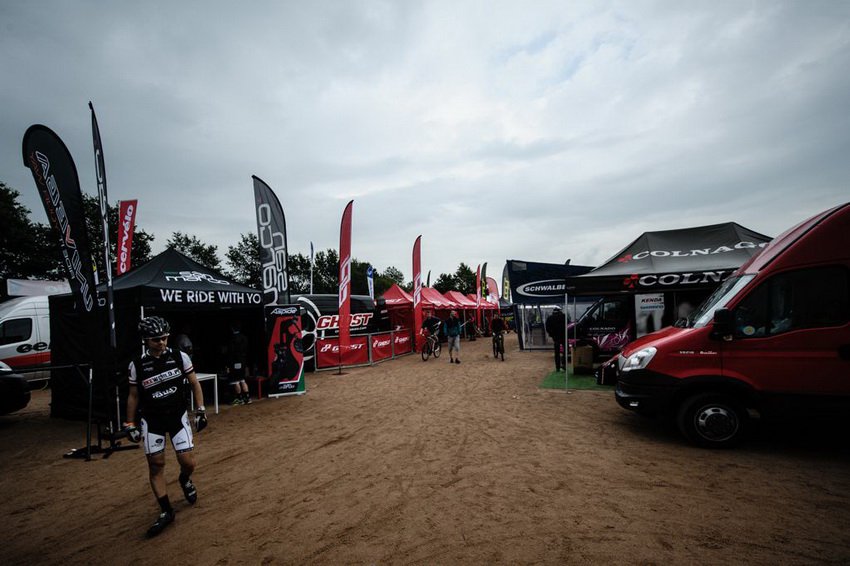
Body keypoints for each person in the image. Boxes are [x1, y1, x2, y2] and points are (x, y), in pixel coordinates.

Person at [124, 316, 208, 538]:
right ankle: (166, 510)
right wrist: (129, 423)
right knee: (156, 465)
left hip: (177, 416)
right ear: (145, 340)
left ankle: (184, 478)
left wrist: (201, 410)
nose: (161, 342)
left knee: (188, 462)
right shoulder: (136, 365)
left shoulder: (180, 357)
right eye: (155, 339)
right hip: (152, 420)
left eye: (164, 338)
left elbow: (194, 383)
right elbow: (133, 396)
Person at [225, 322, 251, 405]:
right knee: (242, 379)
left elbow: (230, 352)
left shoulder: (232, 339)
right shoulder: (244, 338)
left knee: (236, 381)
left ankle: (240, 399)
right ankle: (247, 398)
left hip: (235, 362)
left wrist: (228, 365)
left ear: (232, 328)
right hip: (243, 361)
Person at [545, 306, 566, 371]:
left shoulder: (549, 318)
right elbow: (567, 324)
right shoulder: (563, 316)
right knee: (565, 351)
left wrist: (552, 335)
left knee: (557, 352)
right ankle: (564, 365)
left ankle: (557, 367)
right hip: (563, 336)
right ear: (559, 310)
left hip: (555, 337)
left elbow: (547, 328)